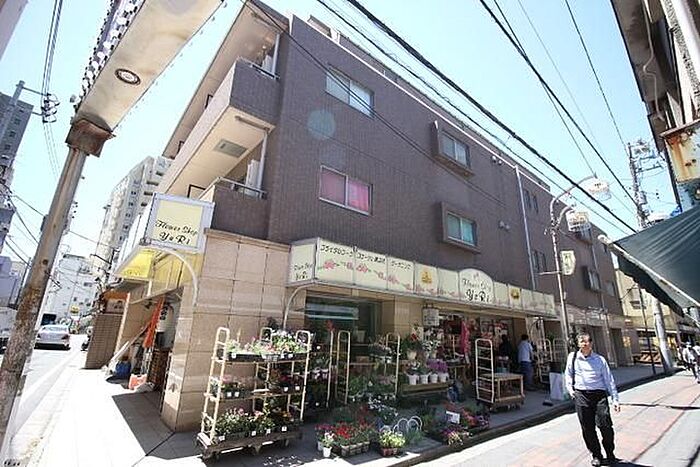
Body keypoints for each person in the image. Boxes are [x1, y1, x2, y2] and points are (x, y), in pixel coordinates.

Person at [565, 333, 620, 466]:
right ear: (578, 344)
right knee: (587, 428)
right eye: (582, 341)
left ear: (591, 343)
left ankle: (610, 452)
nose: (585, 344)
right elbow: (568, 374)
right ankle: (596, 455)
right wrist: (571, 390)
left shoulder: (600, 360)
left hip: (599, 395)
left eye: (587, 341)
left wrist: (615, 399)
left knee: (605, 425)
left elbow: (608, 379)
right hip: (581, 395)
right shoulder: (572, 357)